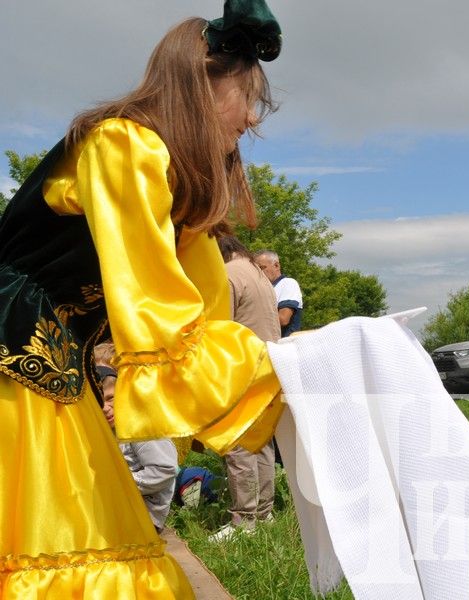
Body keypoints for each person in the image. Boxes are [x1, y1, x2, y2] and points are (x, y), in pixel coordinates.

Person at [0, 3, 285, 596]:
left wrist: (288, 367)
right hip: (17, 351)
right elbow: (156, 309)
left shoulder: (174, 185)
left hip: (55, 359)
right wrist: (276, 368)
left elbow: (201, 317)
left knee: (82, 539)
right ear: (204, 83)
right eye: (247, 97)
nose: (250, 117)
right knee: (65, 540)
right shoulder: (122, 145)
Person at [211, 234, 280, 541]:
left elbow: (220, 328)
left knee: (238, 443)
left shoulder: (227, 274)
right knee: (261, 442)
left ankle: (244, 521)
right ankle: (264, 513)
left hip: (242, 368)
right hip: (269, 367)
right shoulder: (259, 274)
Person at [95, 344, 178, 534]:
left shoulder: (141, 424)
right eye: (98, 401)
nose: (105, 408)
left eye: (110, 398)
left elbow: (165, 469)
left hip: (144, 516)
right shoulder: (111, 424)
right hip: (120, 506)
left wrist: (118, 482)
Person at [254, 249, 303, 335]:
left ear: (276, 265)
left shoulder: (288, 283)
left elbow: (283, 319)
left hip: (284, 345)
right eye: (256, 269)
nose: (259, 272)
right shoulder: (264, 288)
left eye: (262, 268)